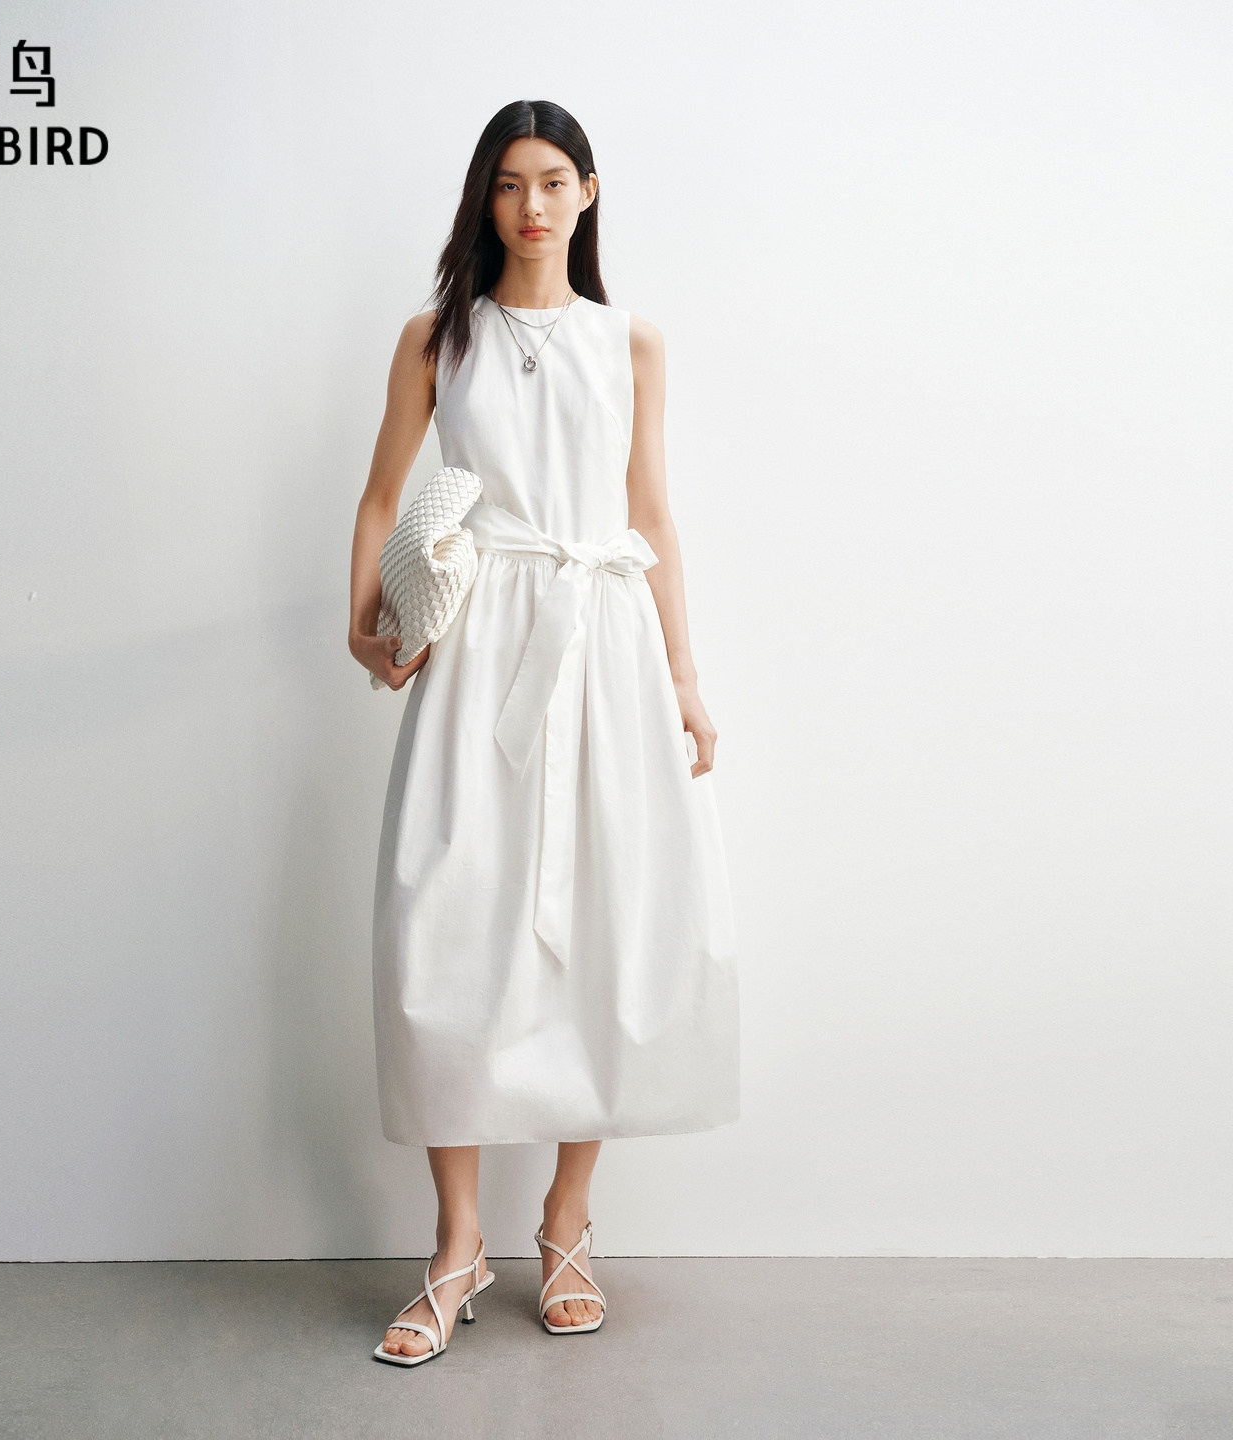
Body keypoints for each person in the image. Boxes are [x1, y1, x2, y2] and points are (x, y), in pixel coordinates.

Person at [347, 99, 740, 1366]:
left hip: (603, 640)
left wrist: (683, 675)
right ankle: (458, 1243)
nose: (531, 204)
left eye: (554, 180)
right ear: (487, 196)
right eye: (510, 182)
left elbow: (652, 514)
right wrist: (362, 619)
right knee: (445, 922)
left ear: (588, 192)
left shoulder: (632, 341)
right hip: (477, 650)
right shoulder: (435, 338)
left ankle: (568, 1221)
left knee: (611, 918)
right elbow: (382, 495)